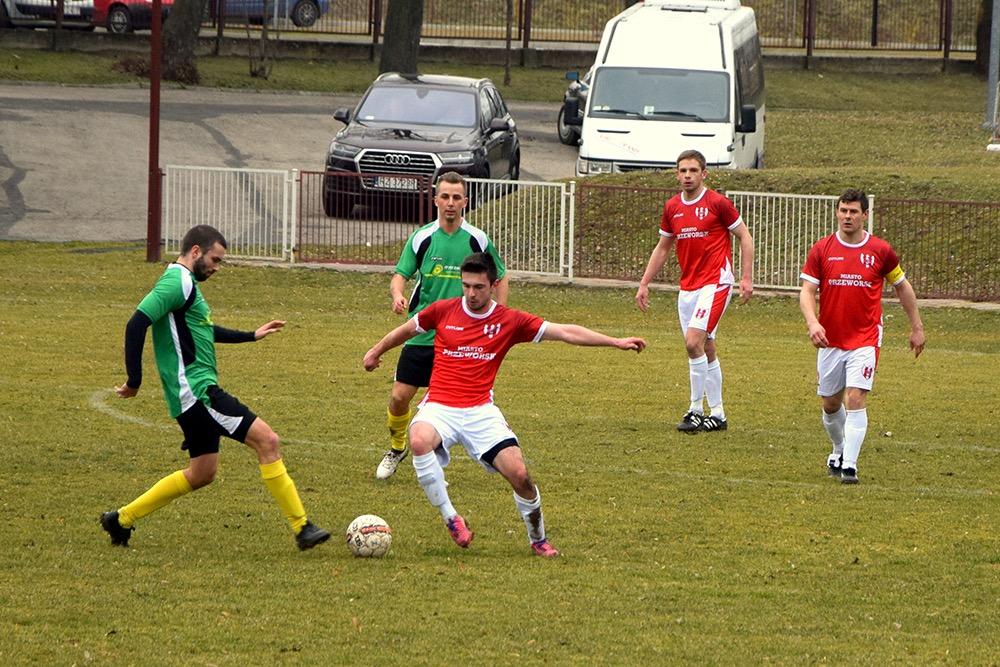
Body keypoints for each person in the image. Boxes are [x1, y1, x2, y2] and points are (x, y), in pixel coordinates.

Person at [363, 252, 646, 557]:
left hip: (481, 411)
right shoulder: (443, 311)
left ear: (494, 285)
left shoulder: (509, 321)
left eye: (479, 287)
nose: (471, 294)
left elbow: (565, 331)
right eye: (466, 286)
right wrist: (375, 351)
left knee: (520, 475)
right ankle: (451, 518)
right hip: (440, 407)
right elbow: (405, 331)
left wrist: (614, 341)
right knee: (418, 440)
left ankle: (538, 540)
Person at [100, 225, 330, 550]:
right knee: (268, 441)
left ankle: (120, 519)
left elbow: (203, 330)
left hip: (191, 395)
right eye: (215, 259)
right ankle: (302, 526)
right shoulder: (176, 282)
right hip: (198, 391)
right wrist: (134, 381)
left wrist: (250, 335)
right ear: (195, 251)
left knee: (201, 473)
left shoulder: (186, 284)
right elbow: (137, 322)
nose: (216, 267)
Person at [374, 171, 509, 480]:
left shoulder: (477, 239)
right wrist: (397, 294)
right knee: (399, 397)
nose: (450, 203)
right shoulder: (422, 237)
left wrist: (498, 314)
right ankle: (397, 448)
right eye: (445, 197)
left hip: (461, 338)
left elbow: (500, 274)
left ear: (465, 201)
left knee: (458, 401)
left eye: (456, 197)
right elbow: (400, 274)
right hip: (422, 334)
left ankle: (489, 448)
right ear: (435, 199)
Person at [799, 189, 925, 484]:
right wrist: (812, 323)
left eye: (853, 211)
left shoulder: (880, 251)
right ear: (837, 212)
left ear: (865, 215)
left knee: (855, 397)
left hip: (866, 338)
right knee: (830, 405)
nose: (847, 216)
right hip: (830, 339)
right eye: (843, 210)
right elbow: (806, 291)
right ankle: (840, 448)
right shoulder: (822, 249)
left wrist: (917, 327)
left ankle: (850, 467)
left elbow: (902, 287)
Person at [635, 149, 754, 433]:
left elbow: (744, 237)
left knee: (692, 342)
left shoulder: (717, 203)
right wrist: (644, 282)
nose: (687, 175)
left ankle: (694, 410)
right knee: (705, 346)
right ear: (677, 174)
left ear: (704, 174)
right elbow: (663, 247)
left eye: (693, 170)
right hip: (688, 287)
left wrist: (746, 277)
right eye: (682, 171)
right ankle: (719, 414)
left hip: (716, 282)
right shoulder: (672, 207)